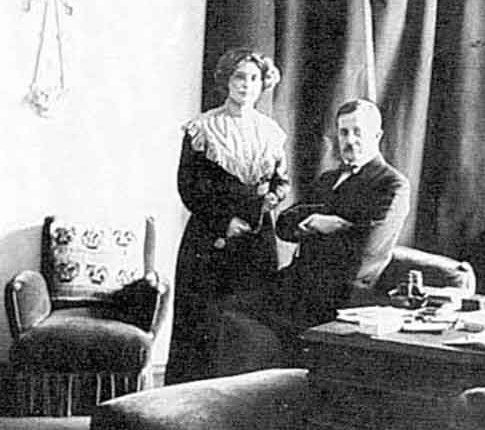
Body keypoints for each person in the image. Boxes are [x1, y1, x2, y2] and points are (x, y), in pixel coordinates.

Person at [166, 48, 289, 385]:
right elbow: (188, 186)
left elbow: (281, 181)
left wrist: (274, 197)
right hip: (210, 237)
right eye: (239, 77)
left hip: (256, 239)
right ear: (227, 81)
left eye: (254, 78)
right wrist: (224, 222)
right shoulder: (202, 128)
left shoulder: (271, 132)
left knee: (249, 321)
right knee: (204, 322)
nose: (246, 85)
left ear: (263, 83)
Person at [254, 98, 410, 341]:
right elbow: (284, 223)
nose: (350, 140)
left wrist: (321, 225)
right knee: (227, 306)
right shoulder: (327, 179)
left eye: (358, 132)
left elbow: (368, 243)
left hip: (342, 293)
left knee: (258, 324)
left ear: (377, 136)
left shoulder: (392, 184)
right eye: (343, 132)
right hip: (300, 282)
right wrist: (327, 223)